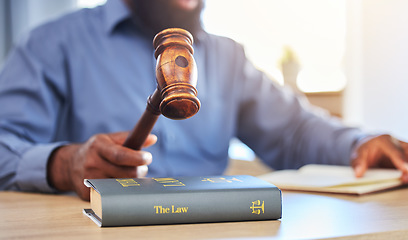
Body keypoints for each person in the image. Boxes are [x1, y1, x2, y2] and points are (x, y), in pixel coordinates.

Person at [0, 0, 407, 201]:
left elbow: (295, 131)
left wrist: (359, 143)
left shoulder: (227, 56)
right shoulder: (53, 45)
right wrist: (63, 163)